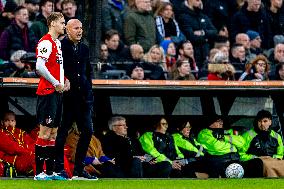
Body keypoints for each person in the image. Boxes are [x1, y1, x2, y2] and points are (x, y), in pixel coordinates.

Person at [54, 19, 97, 180]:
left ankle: (79, 169)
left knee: (88, 131)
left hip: (83, 98)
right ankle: (59, 168)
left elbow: (88, 73)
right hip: (66, 98)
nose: (80, 31)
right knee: (62, 133)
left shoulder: (84, 48)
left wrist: (90, 93)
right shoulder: (60, 47)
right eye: (76, 28)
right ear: (67, 30)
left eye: (81, 28)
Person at [34, 12, 69, 180]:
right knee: (45, 132)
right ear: (53, 23)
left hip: (56, 92)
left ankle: (50, 172)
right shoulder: (46, 42)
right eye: (62, 22)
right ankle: (39, 172)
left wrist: (64, 80)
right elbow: (39, 66)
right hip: (48, 92)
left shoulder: (57, 43)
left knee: (54, 133)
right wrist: (56, 82)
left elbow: (55, 67)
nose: (64, 25)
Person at [197, 114, 263, 178]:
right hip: (221, 161)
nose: (221, 123)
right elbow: (217, 147)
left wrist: (225, 138)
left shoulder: (225, 131)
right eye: (218, 121)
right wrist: (233, 144)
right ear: (211, 123)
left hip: (236, 159)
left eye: (221, 121)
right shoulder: (204, 133)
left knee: (258, 163)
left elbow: (241, 142)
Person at [240, 110, 284, 177]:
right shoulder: (247, 136)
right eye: (260, 121)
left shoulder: (277, 136)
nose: (262, 124)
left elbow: (280, 154)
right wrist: (256, 158)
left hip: (272, 161)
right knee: (260, 164)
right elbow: (241, 155)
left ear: (270, 122)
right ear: (257, 122)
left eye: (265, 121)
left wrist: (272, 158)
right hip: (254, 163)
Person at [0, 110, 35, 176]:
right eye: (7, 120)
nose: (10, 123)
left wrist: (30, 153)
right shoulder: (1, 133)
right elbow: (11, 147)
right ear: (2, 122)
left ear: (15, 122)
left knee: (38, 157)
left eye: (12, 120)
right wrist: (26, 152)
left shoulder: (21, 133)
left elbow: (32, 144)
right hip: (12, 159)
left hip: (25, 156)